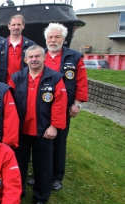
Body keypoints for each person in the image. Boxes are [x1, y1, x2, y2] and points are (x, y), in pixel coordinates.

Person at [8, 45, 67, 204]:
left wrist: (54, 126)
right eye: (30, 57)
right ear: (25, 59)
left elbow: (59, 105)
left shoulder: (55, 78)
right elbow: (9, 103)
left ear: (44, 58)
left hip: (44, 131)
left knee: (43, 167)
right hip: (20, 131)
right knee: (18, 165)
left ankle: (40, 198)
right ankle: (18, 194)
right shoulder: (16, 77)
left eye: (37, 56)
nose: (34, 59)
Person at [43, 23, 89, 191]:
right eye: (50, 37)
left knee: (59, 142)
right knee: (41, 142)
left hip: (63, 107)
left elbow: (81, 82)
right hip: (42, 106)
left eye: (57, 37)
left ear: (63, 38)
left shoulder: (74, 57)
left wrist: (77, 104)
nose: (53, 40)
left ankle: (57, 175)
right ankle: (40, 173)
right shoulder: (40, 55)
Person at [0, 14, 36, 84]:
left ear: (23, 26)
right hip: (5, 85)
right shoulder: (0, 46)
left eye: (19, 24)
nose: (16, 27)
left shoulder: (31, 45)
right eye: (13, 25)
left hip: (25, 84)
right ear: (9, 26)